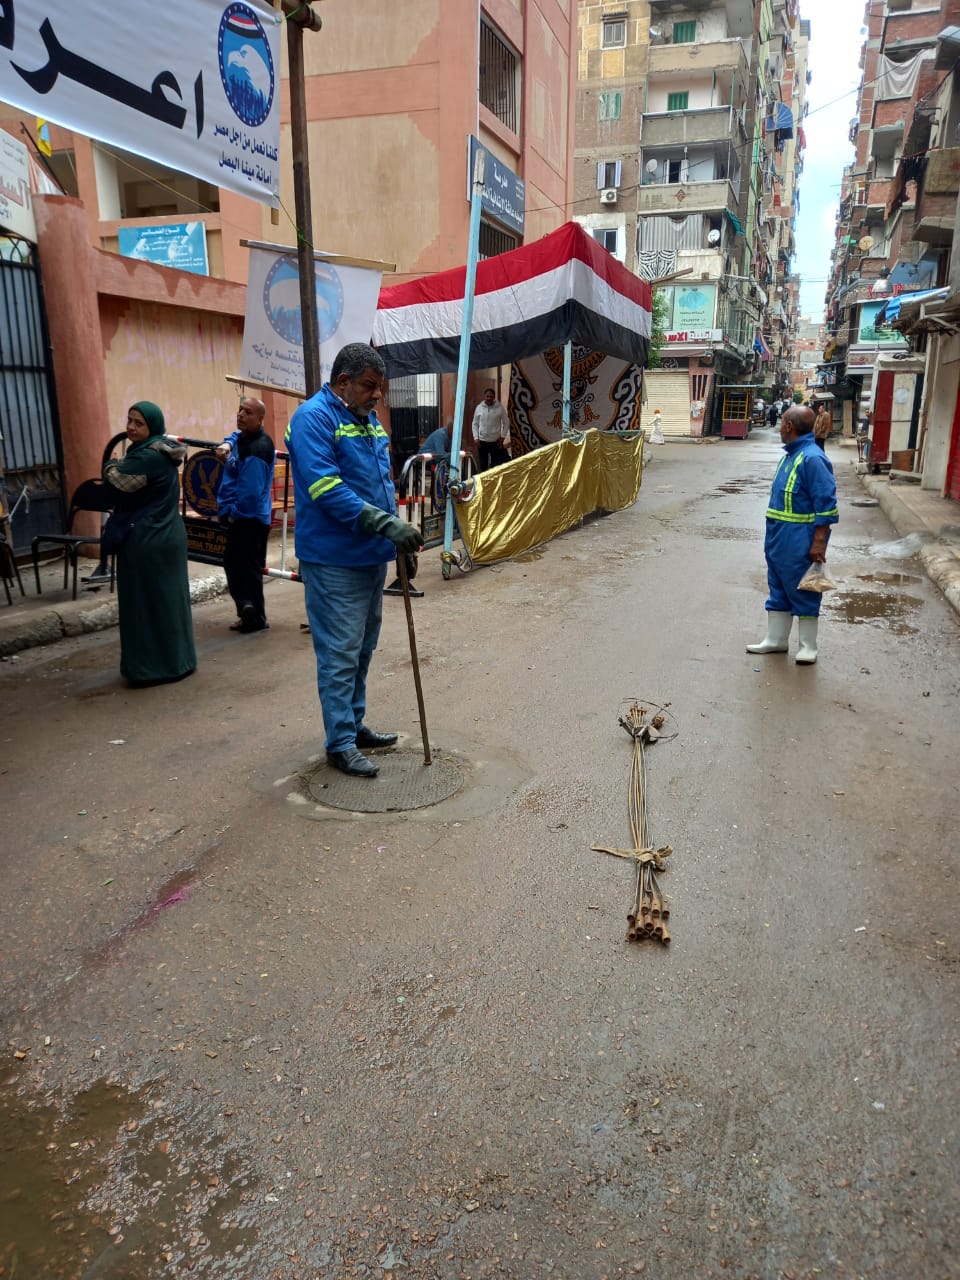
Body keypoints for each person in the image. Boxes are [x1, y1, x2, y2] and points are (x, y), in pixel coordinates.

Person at [285, 342, 423, 779]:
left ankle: (354, 724)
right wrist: (386, 526)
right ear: (342, 381)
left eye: (378, 388)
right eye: (368, 386)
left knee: (362, 649)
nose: (376, 395)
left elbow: (381, 484)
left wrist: (397, 542)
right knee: (339, 652)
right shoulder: (314, 418)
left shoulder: (367, 422)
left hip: (369, 556)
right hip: (333, 560)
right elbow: (326, 490)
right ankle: (339, 742)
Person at [102, 402, 196, 686]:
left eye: (139, 423)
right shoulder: (160, 450)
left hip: (147, 539)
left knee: (144, 605)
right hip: (166, 535)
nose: (131, 427)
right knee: (167, 602)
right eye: (129, 420)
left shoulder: (148, 457)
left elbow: (117, 481)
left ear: (152, 427)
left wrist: (109, 465)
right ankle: (178, 660)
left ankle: (152, 668)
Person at [746, 405, 838, 665]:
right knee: (778, 586)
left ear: (788, 425)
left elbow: (826, 503)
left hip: (800, 537)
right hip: (778, 535)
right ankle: (776, 640)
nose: (780, 427)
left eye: (783, 422)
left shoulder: (812, 458)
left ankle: (808, 646)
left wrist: (819, 542)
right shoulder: (792, 455)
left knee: (804, 588)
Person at [215, 398, 276, 632]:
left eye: (247, 412)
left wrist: (233, 515)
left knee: (244, 568)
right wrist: (228, 443)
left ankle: (253, 614)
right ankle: (249, 611)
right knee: (240, 566)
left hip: (248, 519)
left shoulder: (257, 449)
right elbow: (236, 436)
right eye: (240, 409)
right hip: (245, 517)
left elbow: (249, 493)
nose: (240, 414)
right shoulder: (245, 438)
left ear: (260, 419)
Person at [471, 387, 511, 470]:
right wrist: (476, 438)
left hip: (495, 442)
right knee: (483, 465)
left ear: (494, 397)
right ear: (484, 396)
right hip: (482, 442)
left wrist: (503, 437)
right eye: (487, 396)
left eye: (491, 396)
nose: (489, 398)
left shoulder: (500, 408)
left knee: (495, 465)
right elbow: (475, 424)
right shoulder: (479, 408)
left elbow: (506, 422)